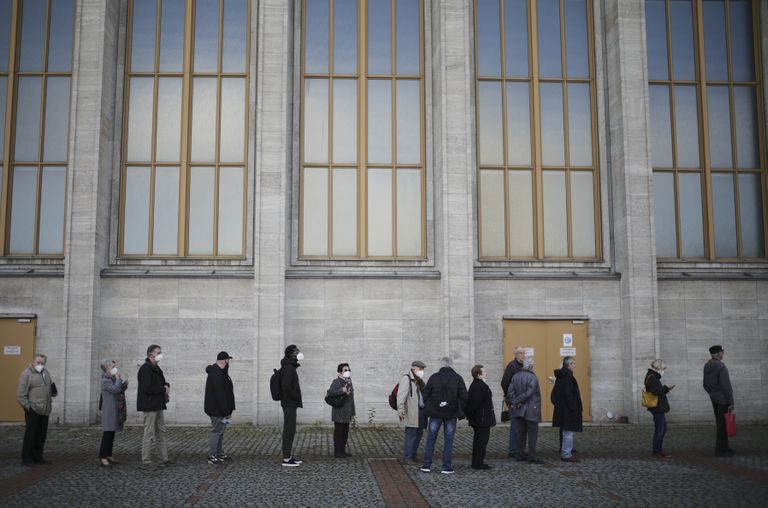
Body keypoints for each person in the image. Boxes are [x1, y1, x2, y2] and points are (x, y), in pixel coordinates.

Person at [420, 357, 468, 474]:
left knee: (431, 438)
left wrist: (431, 406)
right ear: (451, 365)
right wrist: (461, 409)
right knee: (449, 440)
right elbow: (464, 396)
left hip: (435, 413)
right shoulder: (457, 378)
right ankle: (446, 467)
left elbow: (425, 395)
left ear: (441, 365)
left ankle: (426, 465)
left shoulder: (433, 377)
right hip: (451, 414)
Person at [16, 354, 56, 467]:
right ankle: (26, 458)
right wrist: (29, 408)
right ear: (33, 362)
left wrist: (53, 392)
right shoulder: (26, 374)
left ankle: (38, 456)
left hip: (45, 409)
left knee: (41, 435)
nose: (40, 365)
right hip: (33, 409)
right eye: (38, 362)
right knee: (31, 434)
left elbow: (49, 386)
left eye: (42, 363)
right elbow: (20, 395)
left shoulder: (46, 373)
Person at [137, 344, 172, 470]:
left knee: (160, 432)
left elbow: (161, 382)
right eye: (158, 352)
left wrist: (166, 385)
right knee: (149, 433)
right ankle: (146, 461)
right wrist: (162, 389)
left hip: (158, 404)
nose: (160, 354)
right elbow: (147, 388)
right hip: (150, 405)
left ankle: (163, 458)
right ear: (151, 354)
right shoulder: (146, 369)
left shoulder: (156, 367)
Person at [507, 359, 542, 464]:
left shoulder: (515, 376)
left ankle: (519, 454)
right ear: (531, 366)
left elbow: (510, 392)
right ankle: (532, 456)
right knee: (532, 434)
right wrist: (517, 401)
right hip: (531, 409)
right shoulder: (533, 377)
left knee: (521, 433)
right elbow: (529, 393)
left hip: (518, 409)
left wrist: (514, 402)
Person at [204, 351, 236, 465]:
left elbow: (227, 392)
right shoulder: (216, 374)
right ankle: (212, 456)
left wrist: (230, 409)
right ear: (223, 360)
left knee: (221, 431)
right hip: (217, 410)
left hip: (224, 410)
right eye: (228, 360)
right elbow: (220, 395)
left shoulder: (222, 373)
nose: (229, 362)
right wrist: (226, 411)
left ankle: (219, 453)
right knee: (216, 431)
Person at [703, 345, 735, 457]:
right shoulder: (721, 367)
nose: (723, 354)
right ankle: (720, 450)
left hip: (715, 399)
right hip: (723, 400)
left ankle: (725, 448)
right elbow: (726, 386)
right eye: (722, 352)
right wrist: (731, 402)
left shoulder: (707, 366)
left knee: (721, 424)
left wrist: (713, 394)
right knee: (722, 425)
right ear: (717, 354)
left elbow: (705, 385)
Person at [551, 356, 583, 463]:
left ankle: (566, 452)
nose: (575, 365)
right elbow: (568, 394)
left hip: (563, 409)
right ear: (568, 365)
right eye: (573, 363)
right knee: (568, 432)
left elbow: (554, 395)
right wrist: (573, 407)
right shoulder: (568, 376)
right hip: (568, 410)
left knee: (566, 431)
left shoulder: (562, 376)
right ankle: (566, 454)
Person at [464, 364, 496, 470]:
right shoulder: (478, 386)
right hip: (481, 419)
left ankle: (477, 461)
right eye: (484, 371)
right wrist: (471, 415)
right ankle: (478, 462)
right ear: (478, 374)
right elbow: (474, 403)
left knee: (480, 440)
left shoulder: (479, 384)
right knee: (481, 441)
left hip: (481, 418)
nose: (485, 372)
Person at [98, 359, 128, 467]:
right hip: (109, 409)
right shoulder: (105, 380)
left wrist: (124, 384)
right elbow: (115, 389)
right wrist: (119, 380)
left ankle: (108, 455)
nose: (115, 368)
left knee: (112, 433)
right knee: (107, 433)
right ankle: (102, 456)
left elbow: (119, 389)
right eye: (112, 366)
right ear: (107, 368)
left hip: (115, 408)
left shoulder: (112, 378)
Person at [397, 360, 427, 465]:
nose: (422, 371)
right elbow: (401, 395)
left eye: (423, 369)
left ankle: (413, 455)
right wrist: (400, 410)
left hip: (421, 411)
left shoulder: (418, 380)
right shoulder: (407, 379)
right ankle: (408, 457)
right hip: (412, 411)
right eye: (421, 369)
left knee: (419, 434)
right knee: (411, 434)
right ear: (414, 368)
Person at [644, 359, 673, 459]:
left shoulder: (652, 376)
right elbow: (655, 391)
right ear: (658, 368)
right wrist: (666, 388)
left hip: (657, 407)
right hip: (657, 407)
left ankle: (659, 451)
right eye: (663, 369)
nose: (663, 371)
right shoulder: (652, 377)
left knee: (662, 429)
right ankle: (656, 452)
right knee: (660, 430)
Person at [280, 344, 304, 467]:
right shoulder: (289, 367)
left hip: (290, 403)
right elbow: (286, 386)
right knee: (289, 430)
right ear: (291, 354)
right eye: (297, 351)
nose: (299, 353)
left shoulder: (289, 366)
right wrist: (294, 397)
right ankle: (286, 458)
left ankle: (288, 456)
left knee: (291, 429)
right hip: (289, 403)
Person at [500, 346, 525, 458]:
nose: (522, 355)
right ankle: (513, 450)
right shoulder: (512, 366)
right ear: (515, 354)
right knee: (515, 426)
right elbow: (504, 382)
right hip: (515, 402)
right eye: (520, 353)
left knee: (521, 426)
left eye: (524, 353)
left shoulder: (523, 366)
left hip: (522, 401)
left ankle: (519, 449)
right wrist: (510, 398)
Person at [327, 363, 356, 458]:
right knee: (339, 432)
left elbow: (351, 399)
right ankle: (337, 451)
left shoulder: (349, 381)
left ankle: (342, 450)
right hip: (339, 412)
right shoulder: (336, 381)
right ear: (340, 372)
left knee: (345, 433)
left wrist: (352, 411)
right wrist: (341, 390)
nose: (348, 372)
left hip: (347, 412)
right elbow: (330, 392)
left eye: (348, 370)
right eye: (345, 370)